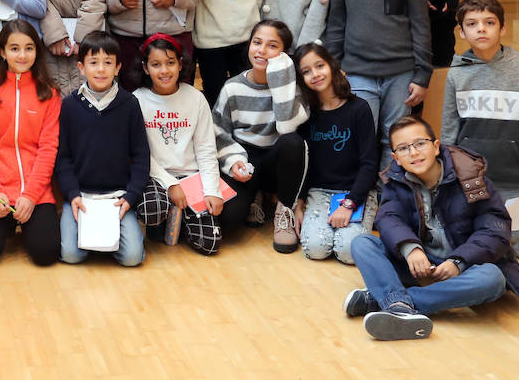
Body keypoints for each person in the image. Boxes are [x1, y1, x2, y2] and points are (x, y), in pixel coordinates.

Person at [344, 115, 519, 342]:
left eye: (420, 143)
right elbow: (389, 218)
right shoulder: (395, 181)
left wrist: (459, 262)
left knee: (492, 278)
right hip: (420, 265)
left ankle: (392, 302)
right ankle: (398, 304)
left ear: (436, 146)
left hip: (466, 267)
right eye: (403, 148)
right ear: (396, 158)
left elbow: (494, 231)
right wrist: (411, 249)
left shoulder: (471, 178)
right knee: (362, 243)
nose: (413, 153)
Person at [443, 0, 519, 261]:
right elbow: (449, 132)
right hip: (473, 183)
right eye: (472, 23)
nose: (481, 29)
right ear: (462, 31)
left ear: (502, 28)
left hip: (517, 184)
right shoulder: (457, 73)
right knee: (461, 245)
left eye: (489, 22)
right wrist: (448, 179)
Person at [324, 0, 432, 168]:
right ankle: (363, 196)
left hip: (401, 74)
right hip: (357, 72)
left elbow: (420, 27)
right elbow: (335, 27)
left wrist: (422, 75)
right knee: (361, 136)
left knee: (395, 137)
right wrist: (335, 70)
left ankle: (389, 195)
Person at [0, 20, 62, 266]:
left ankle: (26, 223)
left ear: (37, 51)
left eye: (29, 48)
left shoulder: (50, 94)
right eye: (14, 48)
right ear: (2, 52)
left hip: (36, 194)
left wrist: (31, 196)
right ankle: (10, 224)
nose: (22, 55)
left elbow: (48, 149)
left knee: (46, 254)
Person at [56, 32, 150, 266]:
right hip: (80, 197)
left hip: (117, 198)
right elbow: (62, 157)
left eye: (108, 63)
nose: (101, 69)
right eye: (93, 62)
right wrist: (72, 194)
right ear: (81, 67)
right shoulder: (69, 105)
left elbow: (141, 156)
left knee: (131, 259)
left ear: (118, 67)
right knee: (70, 255)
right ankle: (97, 241)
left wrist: (131, 196)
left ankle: (110, 239)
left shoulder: (129, 104)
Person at [214, 20, 309, 252]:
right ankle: (256, 195)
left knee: (293, 142)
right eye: (257, 42)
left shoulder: (293, 88)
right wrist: (235, 162)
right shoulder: (232, 87)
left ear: (284, 55)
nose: (262, 50)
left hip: (279, 160)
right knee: (228, 221)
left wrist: (281, 79)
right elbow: (219, 133)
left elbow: (287, 127)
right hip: (246, 158)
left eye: (272, 46)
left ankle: (283, 210)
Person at [133, 33, 222, 256]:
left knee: (210, 244)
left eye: (170, 63)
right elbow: (139, 153)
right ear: (145, 68)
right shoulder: (136, 100)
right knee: (152, 210)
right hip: (156, 175)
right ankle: (162, 217)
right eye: (156, 64)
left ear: (181, 64)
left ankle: (181, 219)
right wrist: (171, 184)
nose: (164, 71)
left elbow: (206, 149)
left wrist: (212, 190)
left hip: (191, 176)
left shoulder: (196, 99)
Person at [295, 43, 378, 264]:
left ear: (331, 65)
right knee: (315, 249)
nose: (315, 74)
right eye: (306, 71)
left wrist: (350, 203)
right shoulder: (306, 115)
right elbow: (304, 165)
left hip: (356, 192)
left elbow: (370, 163)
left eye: (319, 66)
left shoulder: (359, 108)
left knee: (350, 251)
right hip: (320, 192)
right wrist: (300, 202)